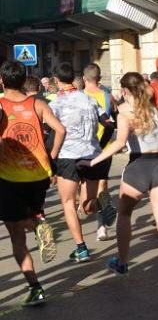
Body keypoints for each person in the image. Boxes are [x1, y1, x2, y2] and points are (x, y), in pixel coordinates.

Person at [83, 73, 158, 275]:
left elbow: (120, 143)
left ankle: (122, 262)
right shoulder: (157, 110)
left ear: (125, 91)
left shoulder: (123, 112)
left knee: (124, 214)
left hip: (138, 166)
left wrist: (93, 161)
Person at [0, 60, 66, 305]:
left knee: (16, 236)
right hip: (39, 175)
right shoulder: (38, 104)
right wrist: (52, 156)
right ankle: (37, 221)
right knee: (30, 214)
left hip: (9, 178)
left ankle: (36, 288)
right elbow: (60, 130)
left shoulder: (0, 105)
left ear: (2, 81)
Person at [50, 61, 109, 263]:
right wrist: (99, 144)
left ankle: (81, 248)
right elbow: (109, 124)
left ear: (57, 81)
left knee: (68, 203)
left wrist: (50, 158)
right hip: (92, 155)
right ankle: (102, 203)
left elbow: (48, 134)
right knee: (87, 208)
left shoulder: (55, 105)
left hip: (67, 157)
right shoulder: (90, 100)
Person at [82, 63, 118, 241]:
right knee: (101, 188)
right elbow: (115, 123)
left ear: (83, 78)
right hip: (104, 149)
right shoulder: (108, 97)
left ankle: (101, 226)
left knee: (90, 192)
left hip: (83, 150)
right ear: (100, 78)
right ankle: (101, 226)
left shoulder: (79, 97)